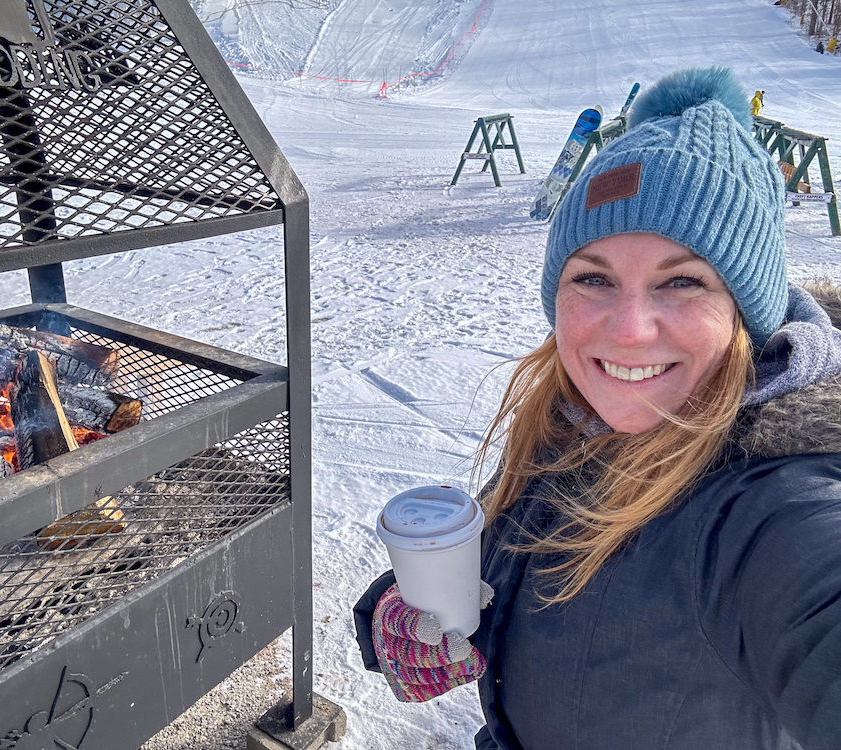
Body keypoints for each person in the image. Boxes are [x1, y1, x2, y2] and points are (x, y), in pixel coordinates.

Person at [354, 67, 841, 750]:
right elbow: (500, 565)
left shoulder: (776, 508)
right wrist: (400, 612)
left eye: (682, 281)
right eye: (593, 278)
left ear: (745, 315)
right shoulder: (570, 421)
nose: (629, 329)